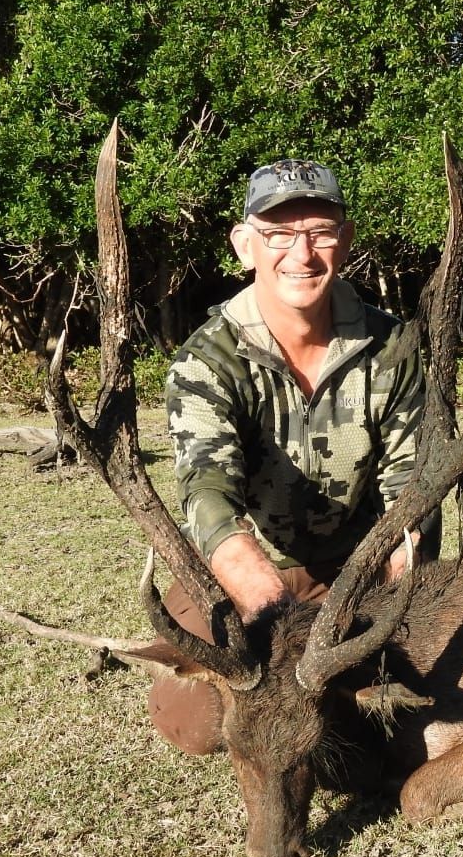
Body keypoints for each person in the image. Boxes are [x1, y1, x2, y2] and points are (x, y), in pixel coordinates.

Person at [150, 159, 430, 754]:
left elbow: (413, 491)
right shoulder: (206, 361)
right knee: (193, 724)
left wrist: (385, 604)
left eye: (320, 232)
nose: (301, 254)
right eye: (279, 234)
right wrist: (282, 629)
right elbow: (209, 499)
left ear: (345, 241)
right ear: (245, 244)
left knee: (404, 707)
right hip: (249, 576)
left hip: (360, 571)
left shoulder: (393, 346)